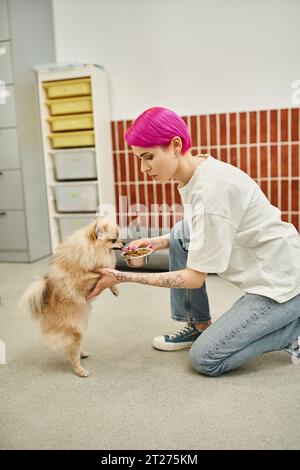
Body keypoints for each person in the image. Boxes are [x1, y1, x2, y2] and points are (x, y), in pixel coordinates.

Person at [87, 106, 300, 377]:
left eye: (148, 157)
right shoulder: (196, 173)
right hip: (275, 267)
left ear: (175, 145)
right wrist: (158, 242)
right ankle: (198, 325)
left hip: (284, 286)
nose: (143, 168)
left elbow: (193, 278)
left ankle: (293, 332)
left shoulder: (211, 190)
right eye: (139, 159)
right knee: (179, 233)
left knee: (206, 359)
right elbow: (201, 228)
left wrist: (123, 276)